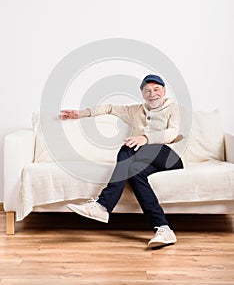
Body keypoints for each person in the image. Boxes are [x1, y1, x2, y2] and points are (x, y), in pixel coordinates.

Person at [59, 74, 184, 248]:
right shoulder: (134, 111)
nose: (152, 93)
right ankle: (163, 228)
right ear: (142, 95)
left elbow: (171, 133)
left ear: (163, 91)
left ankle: (103, 205)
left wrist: (145, 138)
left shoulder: (172, 107)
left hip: (169, 158)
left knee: (129, 147)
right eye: (147, 91)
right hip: (147, 162)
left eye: (156, 89)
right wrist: (81, 114)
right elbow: (110, 108)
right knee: (133, 172)